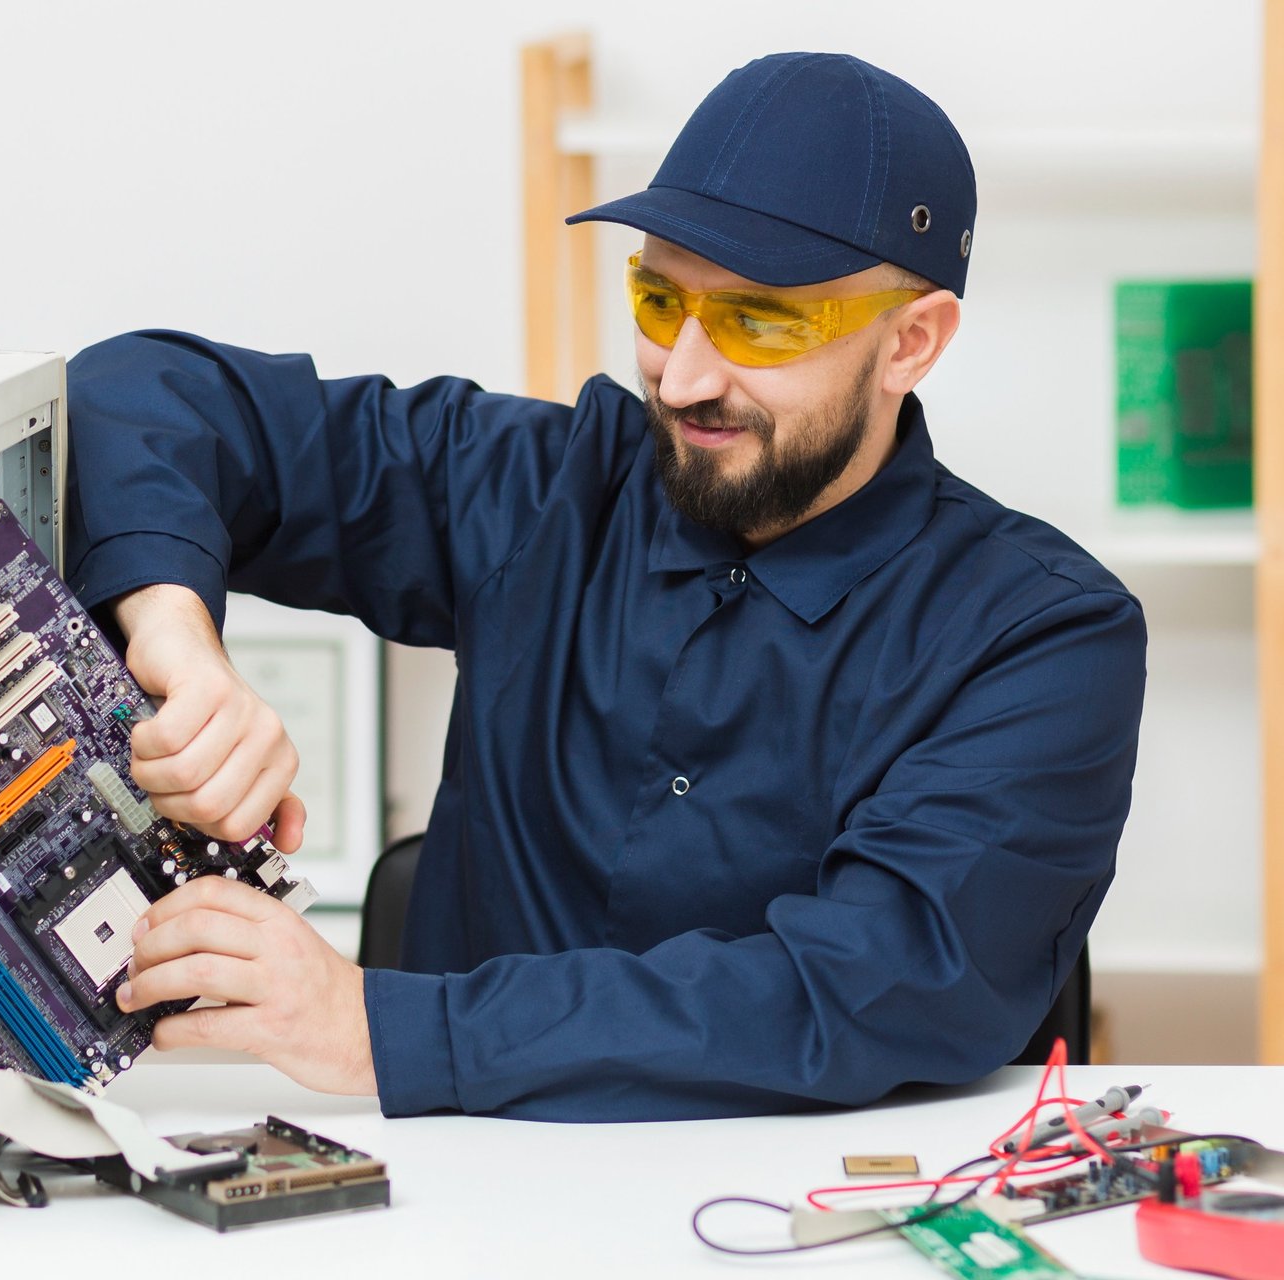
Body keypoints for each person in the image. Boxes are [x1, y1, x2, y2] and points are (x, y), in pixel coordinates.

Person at [62, 52, 1147, 1121]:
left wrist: (375, 1028)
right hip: (455, 1203)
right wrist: (176, 639)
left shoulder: (1043, 637)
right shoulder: (534, 488)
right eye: (659, 295)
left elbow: (866, 983)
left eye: (760, 321)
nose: (682, 373)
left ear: (912, 341)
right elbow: (140, 394)